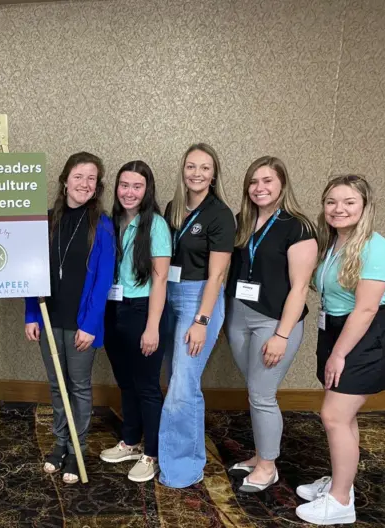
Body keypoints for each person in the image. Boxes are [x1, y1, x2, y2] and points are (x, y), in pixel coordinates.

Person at [295, 174, 385, 525]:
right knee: (343, 416)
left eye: (349, 202)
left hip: (364, 335)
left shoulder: (376, 247)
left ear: (365, 206)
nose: (338, 209)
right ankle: (343, 482)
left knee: (334, 415)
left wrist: (339, 353)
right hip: (336, 331)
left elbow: (367, 309)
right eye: (332, 202)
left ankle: (340, 503)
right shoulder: (333, 241)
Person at [224, 157, 317, 492]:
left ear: (282, 185)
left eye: (267, 181)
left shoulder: (298, 227)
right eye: (253, 182)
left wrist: (282, 334)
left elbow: (300, 286)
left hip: (274, 322)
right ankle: (262, 453)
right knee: (256, 392)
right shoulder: (242, 222)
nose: (259, 188)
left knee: (262, 394)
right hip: (239, 317)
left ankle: (267, 467)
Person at [24, 151, 115, 484]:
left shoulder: (101, 225)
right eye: (78, 176)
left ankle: (78, 449)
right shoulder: (45, 221)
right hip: (49, 317)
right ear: (65, 181)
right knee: (56, 384)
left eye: (91, 178)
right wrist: (31, 313)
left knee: (77, 386)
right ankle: (60, 444)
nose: (84, 184)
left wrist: (91, 326)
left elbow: (104, 279)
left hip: (81, 324)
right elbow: (29, 273)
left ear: (97, 185)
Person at [158, 143, 235, 489]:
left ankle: (184, 467)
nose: (197, 173)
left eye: (205, 168)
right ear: (183, 170)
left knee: (182, 385)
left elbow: (218, 275)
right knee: (174, 377)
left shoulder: (220, 214)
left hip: (199, 300)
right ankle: (174, 453)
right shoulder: (174, 207)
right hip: (169, 294)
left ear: (214, 174)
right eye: (191, 166)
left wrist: (202, 321)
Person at [100, 160, 170, 483]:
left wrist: (153, 326)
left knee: (146, 387)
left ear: (147, 190)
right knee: (125, 381)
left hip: (143, 311)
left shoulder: (155, 225)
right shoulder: (111, 222)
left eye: (137, 186)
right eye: (124, 185)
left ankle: (151, 454)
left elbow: (160, 281)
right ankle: (130, 441)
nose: (129, 192)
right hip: (113, 311)